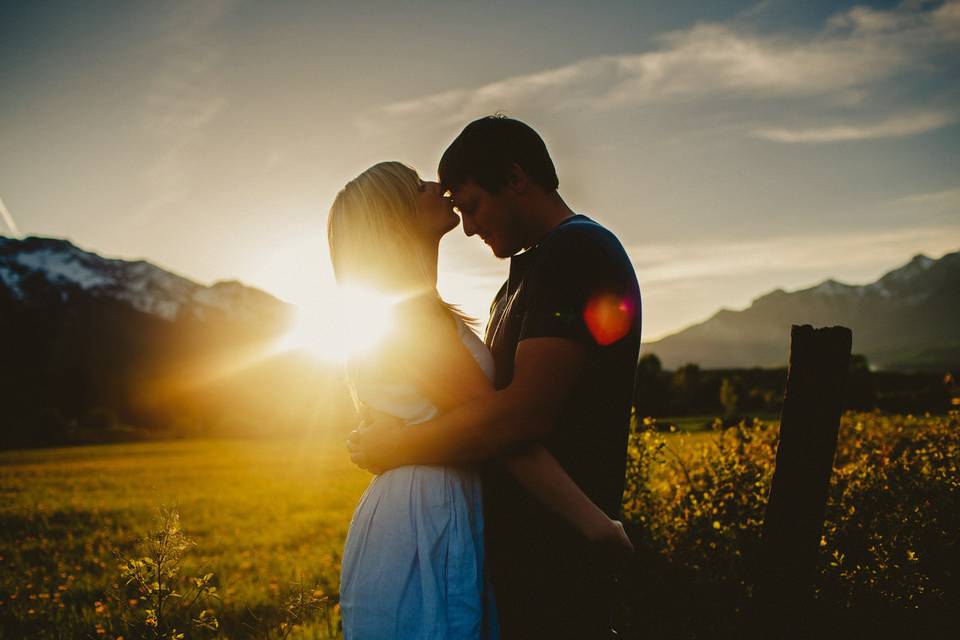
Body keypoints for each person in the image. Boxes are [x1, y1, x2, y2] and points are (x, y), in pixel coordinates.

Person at [349, 116, 642, 639]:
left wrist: (398, 446)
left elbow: (518, 416)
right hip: (512, 536)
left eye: (471, 205)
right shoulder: (514, 282)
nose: (466, 225)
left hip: (556, 540)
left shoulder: (574, 251)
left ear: (515, 179)